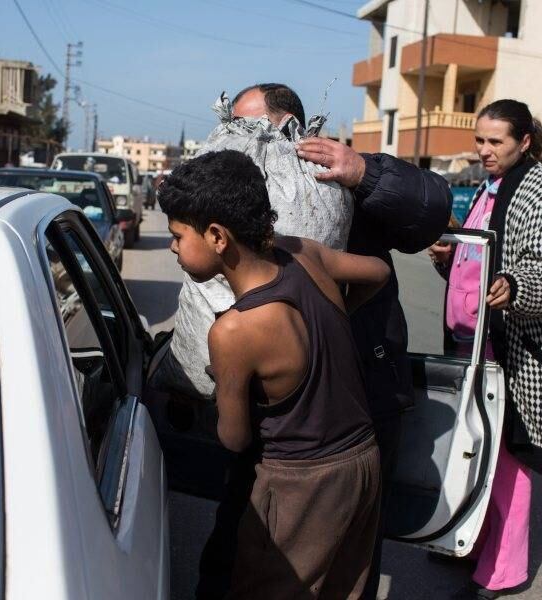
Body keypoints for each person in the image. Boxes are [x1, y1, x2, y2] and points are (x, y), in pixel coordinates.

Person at [192, 82, 450, 599]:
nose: (239, 138)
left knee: (347, 561)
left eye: (250, 126)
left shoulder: (333, 175)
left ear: (287, 125)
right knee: (244, 540)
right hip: (277, 417)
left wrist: (365, 173)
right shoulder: (238, 189)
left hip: (356, 403)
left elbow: (430, 209)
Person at [159, 149, 391, 599]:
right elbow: (378, 271)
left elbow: (235, 440)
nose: (171, 247)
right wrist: (338, 315)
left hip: (300, 488)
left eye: (176, 236)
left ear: (216, 236)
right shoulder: (301, 253)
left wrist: (230, 385)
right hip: (362, 464)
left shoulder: (234, 331)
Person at [428, 99, 542, 599]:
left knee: (508, 459)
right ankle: (470, 543)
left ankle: (503, 571)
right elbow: (478, 259)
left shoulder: (541, 194)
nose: (485, 151)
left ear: (524, 142)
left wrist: (514, 285)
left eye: (496, 142)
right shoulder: (489, 187)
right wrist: (450, 256)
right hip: (476, 346)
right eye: (479, 140)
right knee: (474, 452)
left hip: (515, 351)